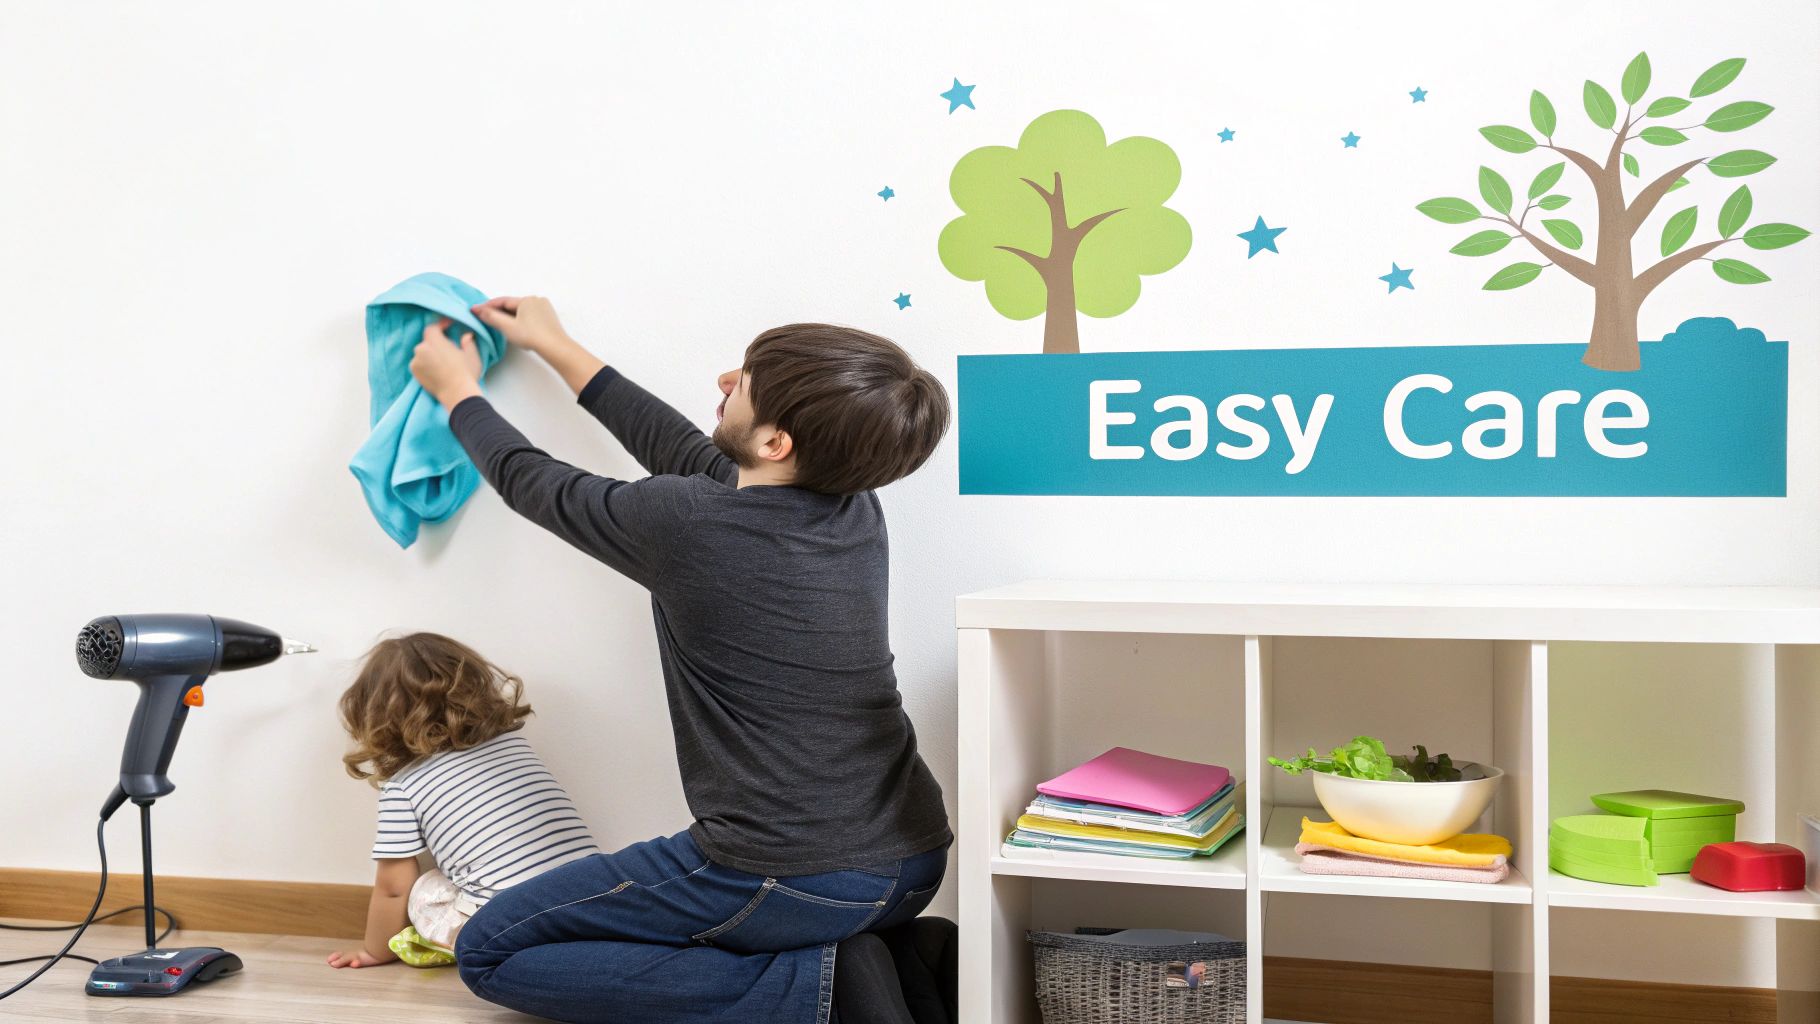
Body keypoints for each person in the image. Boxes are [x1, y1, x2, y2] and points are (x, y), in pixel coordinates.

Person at [407, 297, 954, 1024]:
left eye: (746, 383)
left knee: (488, 950)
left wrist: (456, 391)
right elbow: (680, 445)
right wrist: (556, 345)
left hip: (788, 875)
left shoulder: (686, 521)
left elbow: (528, 479)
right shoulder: (852, 505)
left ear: (777, 444)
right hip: (912, 862)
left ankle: (812, 991)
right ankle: (898, 956)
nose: (726, 379)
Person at [326, 632, 601, 970]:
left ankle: (460, 947)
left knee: (424, 885)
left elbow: (393, 887)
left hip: (509, 925)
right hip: (592, 897)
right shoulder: (513, 746)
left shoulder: (403, 785)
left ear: (374, 716)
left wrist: (374, 951)